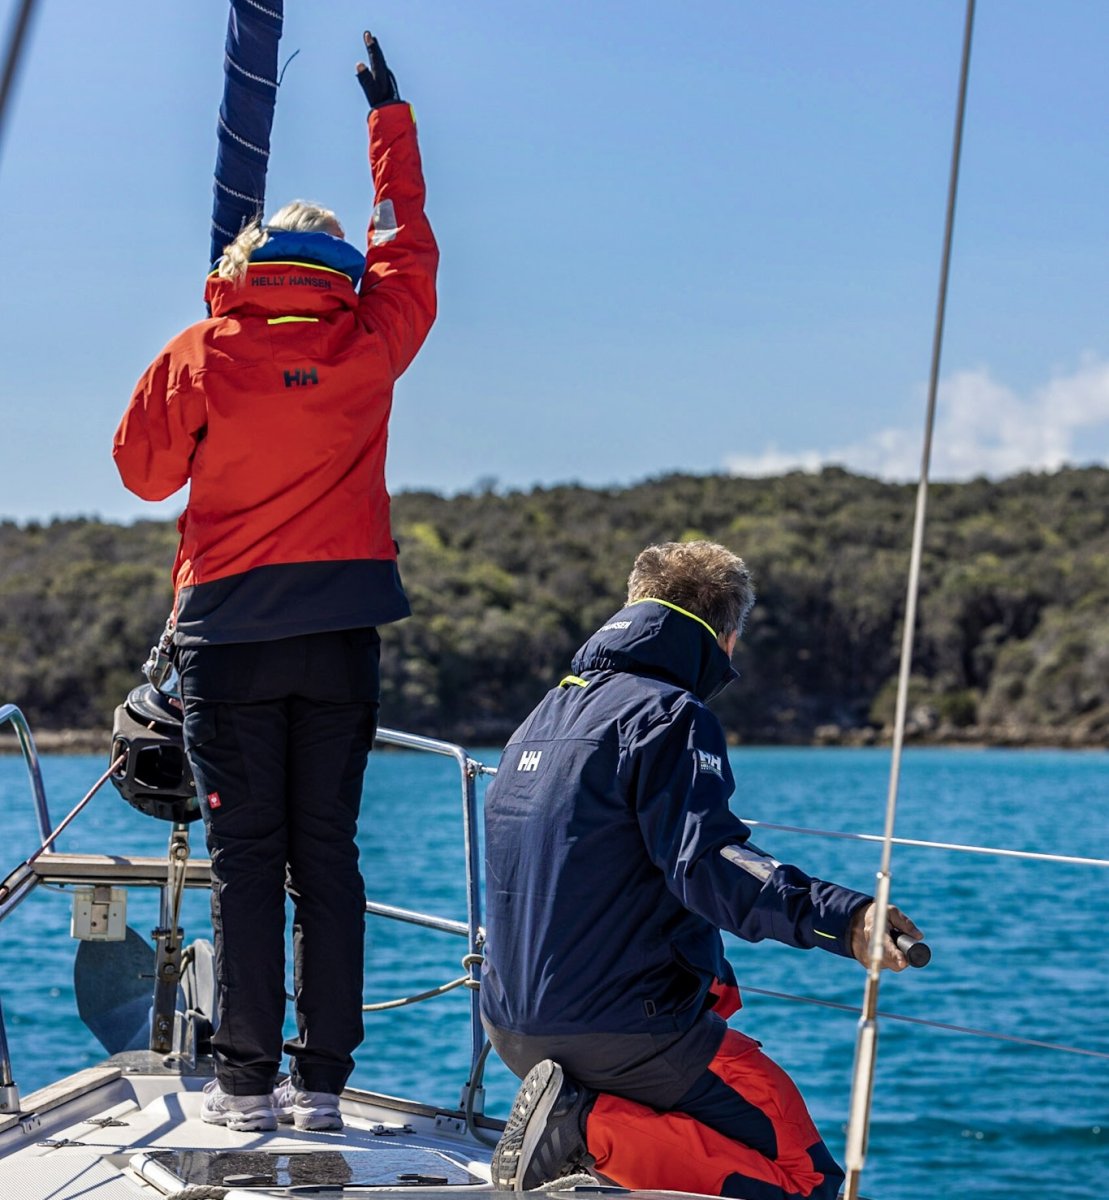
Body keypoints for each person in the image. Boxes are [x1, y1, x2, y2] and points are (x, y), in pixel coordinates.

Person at [112, 30, 437, 1133]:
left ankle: (245, 1088)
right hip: (341, 636)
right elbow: (407, 241)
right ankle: (324, 1087)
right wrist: (387, 123)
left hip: (232, 642)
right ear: (342, 273)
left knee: (247, 861)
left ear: (250, 262)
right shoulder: (370, 341)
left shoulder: (200, 350)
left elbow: (142, 473)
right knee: (326, 859)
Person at [481, 541, 923, 1196]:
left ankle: (581, 1125)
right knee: (806, 1178)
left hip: (512, 1029)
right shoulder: (669, 714)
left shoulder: (539, 719)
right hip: (621, 1033)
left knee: (707, 1136)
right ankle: (581, 1129)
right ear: (726, 639)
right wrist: (846, 919)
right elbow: (709, 863)